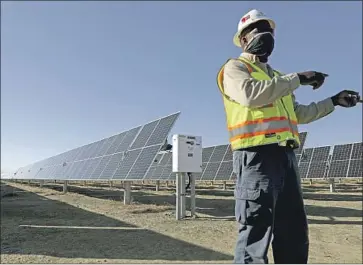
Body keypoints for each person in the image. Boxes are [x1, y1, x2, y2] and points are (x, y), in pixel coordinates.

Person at [216, 9, 361, 264]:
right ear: (243, 39)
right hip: (256, 158)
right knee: (255, 233)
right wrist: (297, 78)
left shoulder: (277, 78)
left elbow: (299, 114)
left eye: (269, 30)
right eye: (257, 30)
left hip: (286, 157)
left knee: (293, 232)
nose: (265, 34)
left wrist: (333, 101)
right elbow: (251, 95)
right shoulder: (235, 68)